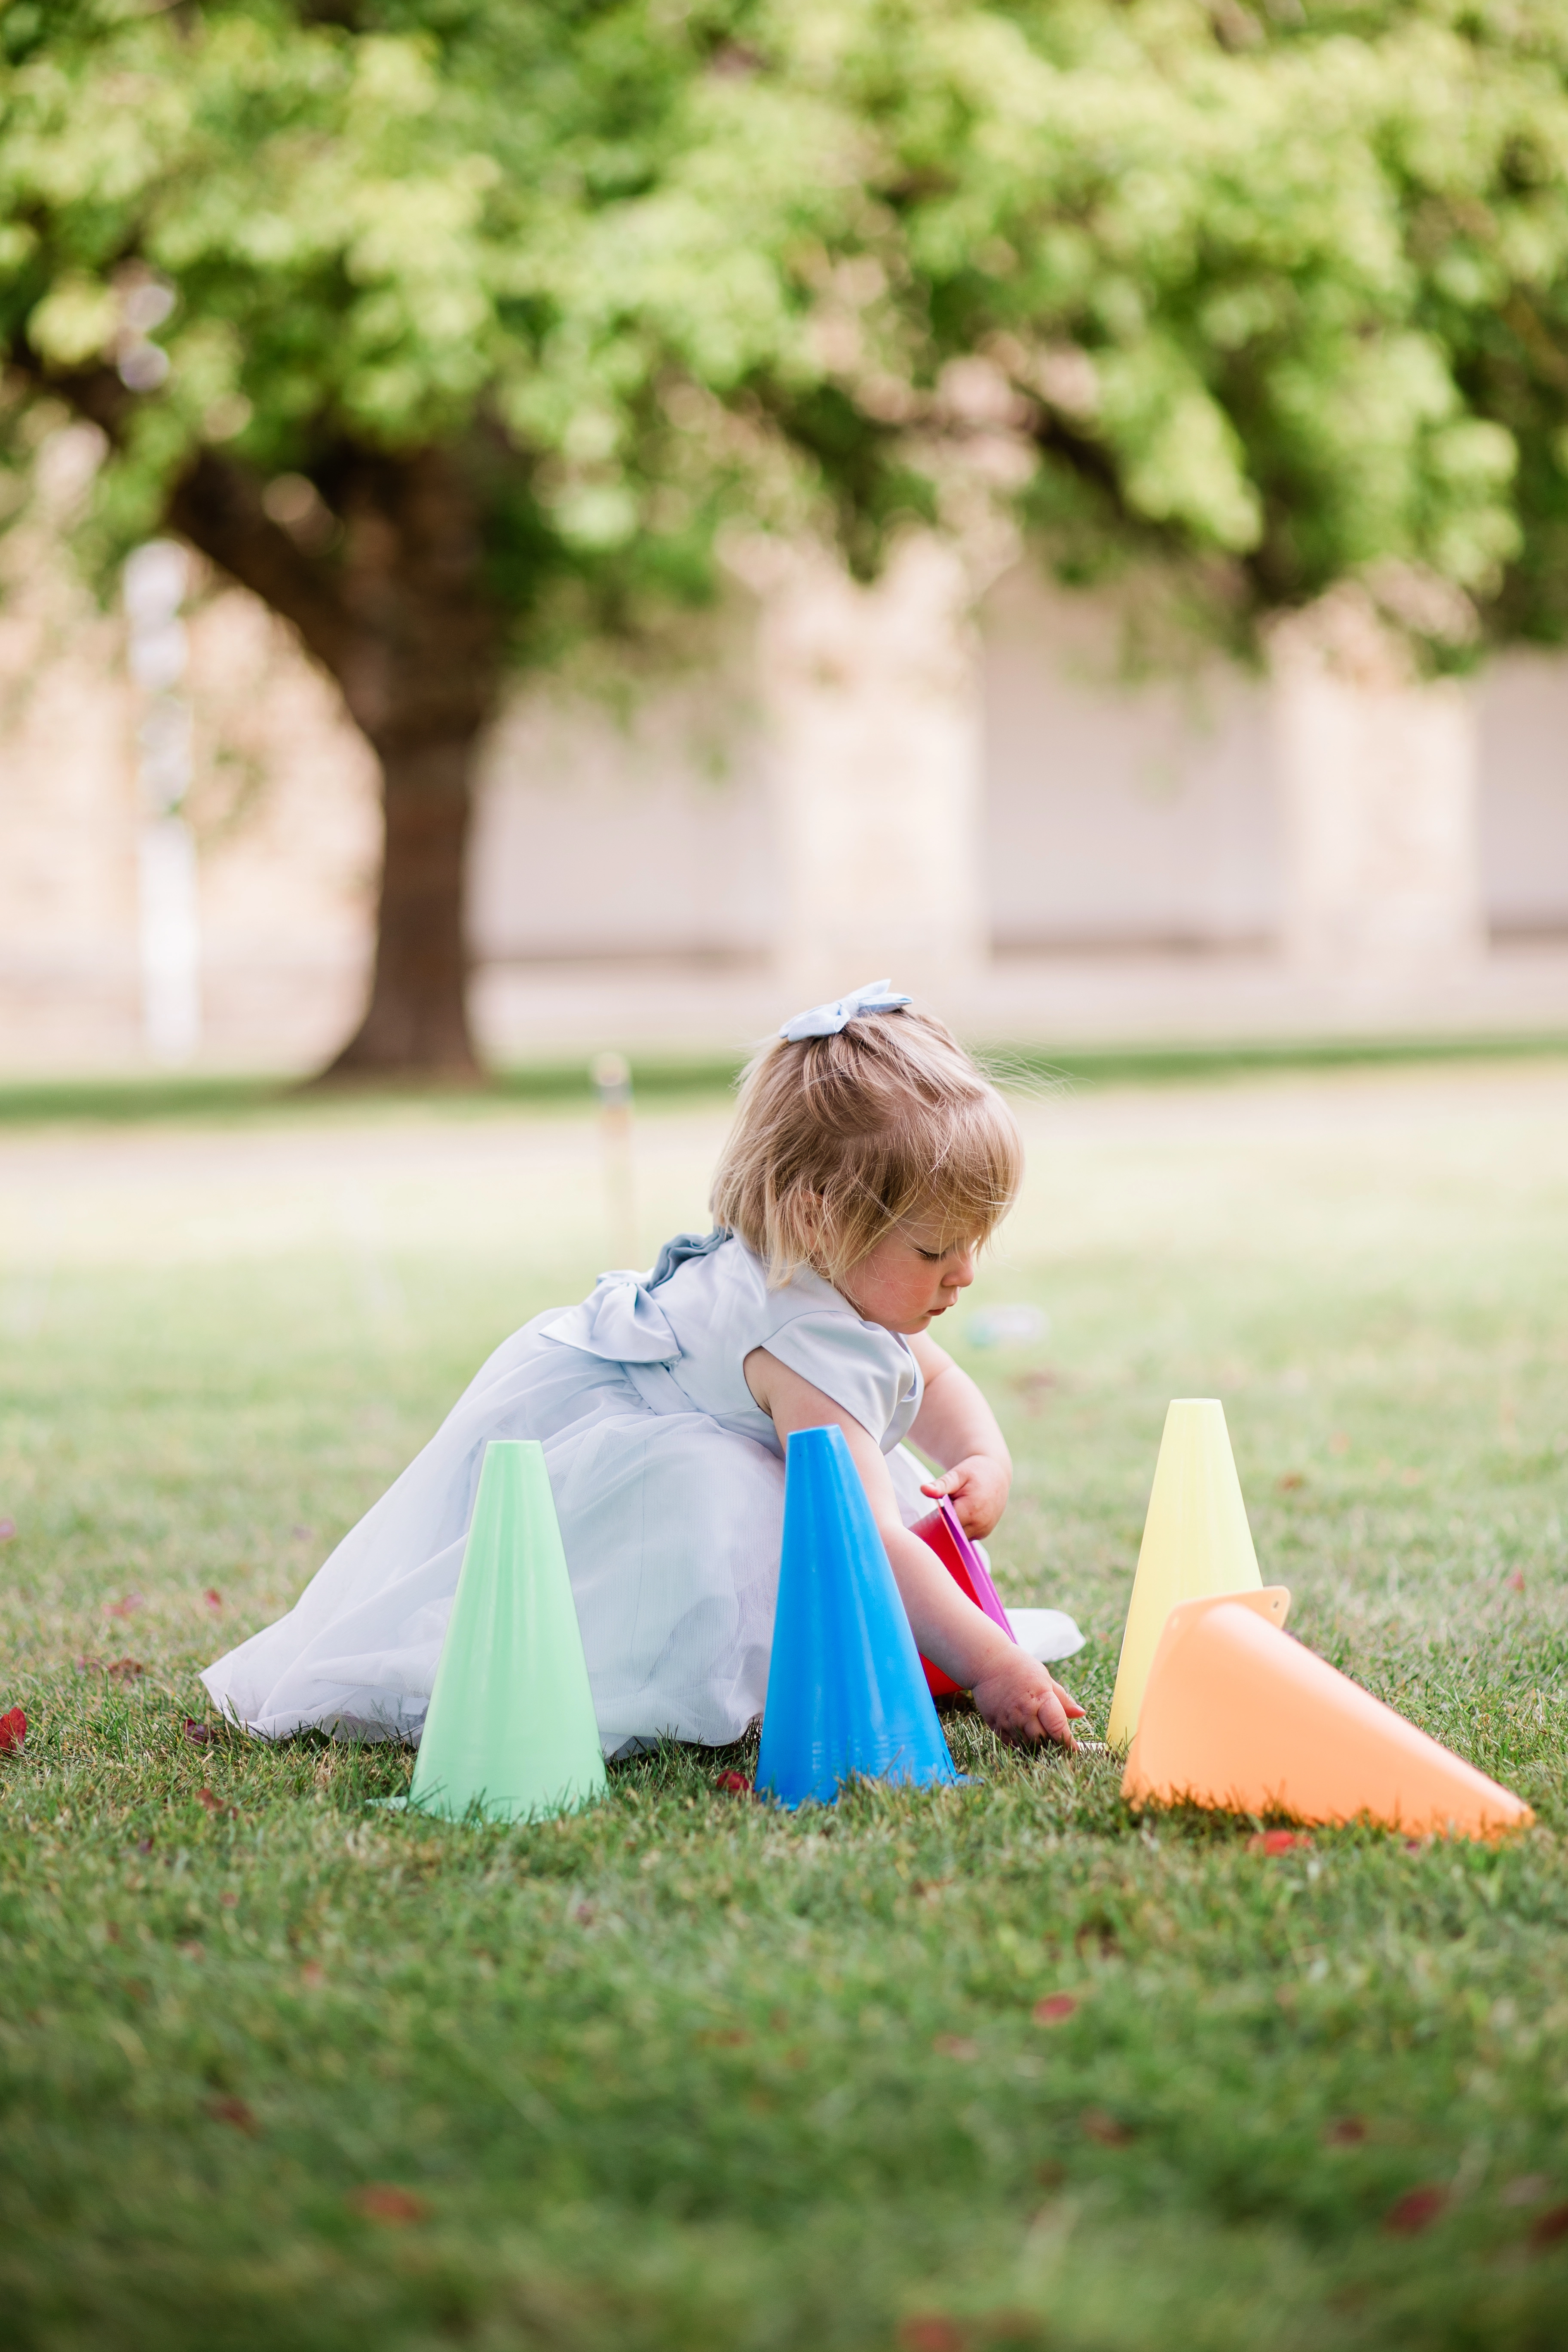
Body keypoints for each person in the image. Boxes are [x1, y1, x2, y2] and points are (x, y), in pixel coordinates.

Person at [202, 983, 1084, 1756]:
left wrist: (987, 1457)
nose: (966, 1274)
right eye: (937, 1249)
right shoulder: (805, 1344)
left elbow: (927, 1378)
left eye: (976, 1243)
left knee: (788, 1486)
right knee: (715, 1523)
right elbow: (867, 1540)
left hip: (673, 1396)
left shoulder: (837, 1277)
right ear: (819, 1218)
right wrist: (993, 1669)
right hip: (629, 1447)